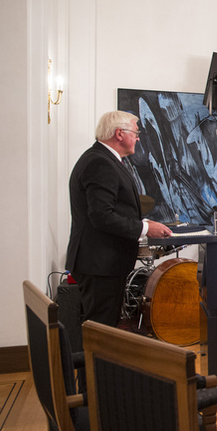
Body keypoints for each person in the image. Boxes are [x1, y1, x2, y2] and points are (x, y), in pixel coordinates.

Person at [67, 111, 172, 327]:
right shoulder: (99, 163)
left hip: (103, 262)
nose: (138, 137)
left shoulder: (102, 159)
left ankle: (102, 362)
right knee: (102, 329)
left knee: (106, 327)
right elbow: (101, 216)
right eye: (135, 132)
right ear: (119, 134)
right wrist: (144, 228)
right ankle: (99, 363)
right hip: (100, 264)